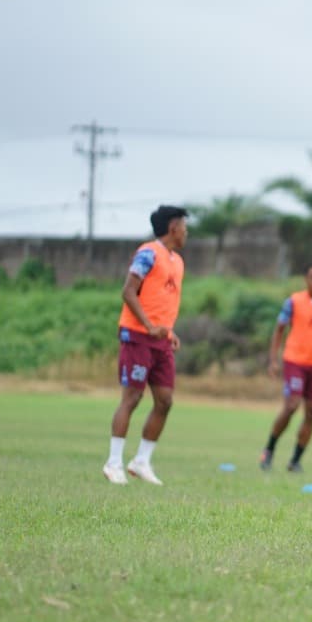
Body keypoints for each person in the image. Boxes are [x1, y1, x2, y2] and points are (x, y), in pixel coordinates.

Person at [103, 205, 188, 486]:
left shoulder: (177, 261)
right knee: (132, 398)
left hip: (160, 341)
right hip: (138, 336)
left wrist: (168, 330)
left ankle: (141, 461)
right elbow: (128, 291)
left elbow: (161, 300)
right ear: (173, 227)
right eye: (184, 226)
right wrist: (149, 326)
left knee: (165, 401)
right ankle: (113, 462)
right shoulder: (148, 253)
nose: (186, 231)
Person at [260, 263, 312, 473]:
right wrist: (273, 360)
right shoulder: (294, 301)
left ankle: (295, 460)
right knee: (291, 405)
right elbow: (279, 330)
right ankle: (269, 449)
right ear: (306, 280)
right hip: (295, 360)